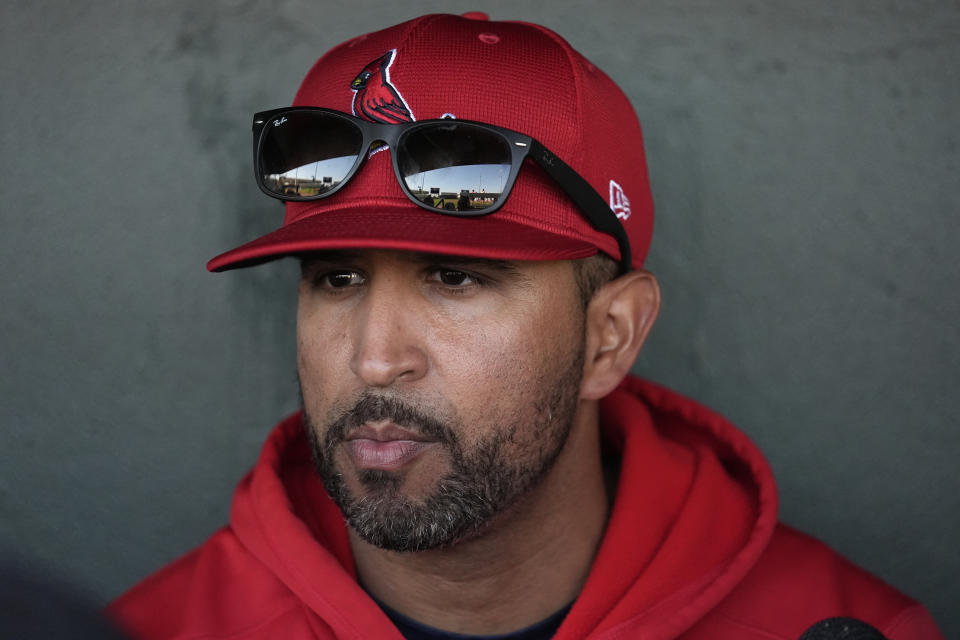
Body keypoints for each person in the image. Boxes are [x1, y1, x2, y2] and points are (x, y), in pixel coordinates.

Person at [107, 13, 944, 640]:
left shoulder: (843, 626)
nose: (372, 359)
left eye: (455, 277)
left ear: (610, 336)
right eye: (338, 278)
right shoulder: (157, 629)